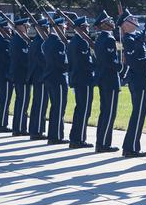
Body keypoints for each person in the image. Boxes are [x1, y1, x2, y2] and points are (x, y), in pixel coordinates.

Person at [119, 10, 146, 158]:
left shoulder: (134, 38)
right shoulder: (129, 40)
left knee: (139, 114)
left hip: (141, 80)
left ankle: (131, 146)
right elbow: (134, 62)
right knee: (138, 115)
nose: (135, 19)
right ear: (125, 24)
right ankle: (131, 148)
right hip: (139, 80)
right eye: (131, 18)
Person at [93, 12, 122, 152]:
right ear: (104, 24)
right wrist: (121, 66)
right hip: (109, 79)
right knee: (109, 112)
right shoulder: (108, 39)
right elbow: (111, 61)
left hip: (103, 79)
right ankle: (104, 144)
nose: (112, 22)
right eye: (109, 20)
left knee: (105, 111)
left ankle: (102, 142)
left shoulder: (100, 38)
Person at [67, 17, 96, 149]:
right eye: (86, 27)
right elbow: (85, 63)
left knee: (80, 109)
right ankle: (78, 139)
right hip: (84, 79)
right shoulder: (81, 42)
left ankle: (76, 137)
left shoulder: (73, 42)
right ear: (82, 28)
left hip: (77, 79)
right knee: (84, 110)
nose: (88, 29)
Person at [43, 18, 70, 144]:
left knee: (55, 107)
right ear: (58, 28)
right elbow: (61, 63)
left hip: (49, 77)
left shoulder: (46, 42)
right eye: (63, 27)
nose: (65, 29)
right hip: (58, 78)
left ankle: (53, 135)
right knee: (59, 108)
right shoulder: (58, 43)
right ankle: (56, 136)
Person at [27, 19, 49, 140]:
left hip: (37, 77)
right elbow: (42, 61)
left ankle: (35, 130)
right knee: (40, 104)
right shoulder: (41, 42)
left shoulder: (36, 41)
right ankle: (37, 131)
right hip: (40, 77)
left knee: (38, 104)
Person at [9, 18, 31, 136]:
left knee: (22, 101)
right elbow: (22, 60)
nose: (27, 27)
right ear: (19, 27)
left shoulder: (21, 40)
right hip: (20, 76)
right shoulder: (17, 41)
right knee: (22, 101)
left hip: (22, 76)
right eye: (25, 25)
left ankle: (20, 127)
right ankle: (18, 128)